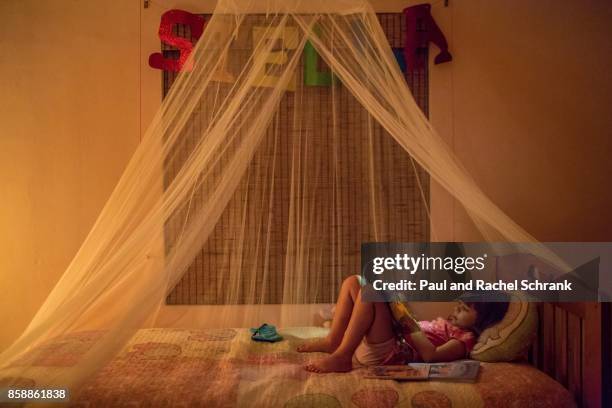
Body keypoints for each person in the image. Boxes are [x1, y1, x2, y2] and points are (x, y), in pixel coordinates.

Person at [297, 275, 509, 373]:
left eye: (464, 309)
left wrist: (406, 321)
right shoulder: (447, 325)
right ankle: (333, 340)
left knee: (371, 291)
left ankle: (343, 357)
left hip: (391, 352)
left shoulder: (465, 339)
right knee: (353, 282)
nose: (455, 310)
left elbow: (431, 356)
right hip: (391, 339)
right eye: (458, 305)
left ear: (481, 319)